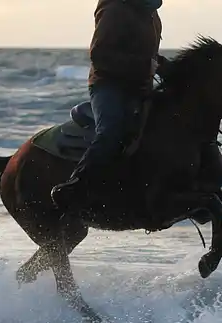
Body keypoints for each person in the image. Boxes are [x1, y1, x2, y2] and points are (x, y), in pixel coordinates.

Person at [51, 0, 167, 212]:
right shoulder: (115, 9)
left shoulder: (151, 13)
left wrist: (169, 68)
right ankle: (75, 186)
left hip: (140, 87)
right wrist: (144, 66)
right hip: (108, 85)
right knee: (111, 131)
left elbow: (147, 55)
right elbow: (100, 54)